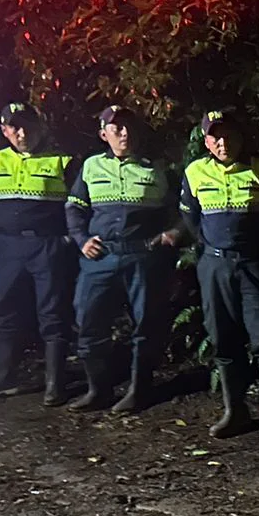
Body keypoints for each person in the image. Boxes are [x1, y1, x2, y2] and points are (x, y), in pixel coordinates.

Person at [179, 109, 259, 439]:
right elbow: (190, 218)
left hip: (256, 264)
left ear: (241, 135)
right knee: (222, 335)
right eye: (215, 136)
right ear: (207, 141)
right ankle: (235, 410)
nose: (223, 141)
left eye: (229, 134)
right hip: (215, 265)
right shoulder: (194, 171)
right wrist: (211, 248)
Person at [65, 105, 181, 413]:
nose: (124, 133)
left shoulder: (157, 168)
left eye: (129, 127)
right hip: (100, 256)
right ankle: (98, 390)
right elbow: (74, 208)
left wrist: (175, 232)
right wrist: (80, 239)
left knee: (146, 324)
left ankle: (139, 390)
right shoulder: (90, 166)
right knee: (87, 320)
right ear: (104, 135)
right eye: (116, 129)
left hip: (142, 255)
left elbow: (182, 209)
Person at [0, 102, 78, 406]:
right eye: (14, 127)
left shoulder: (63, 161)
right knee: (4, 312)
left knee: (53, 314)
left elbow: (79, 205)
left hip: (48, 245)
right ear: (4, 131)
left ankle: (54, 384)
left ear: (39, 125)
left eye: (27, 125)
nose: (22, 132)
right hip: (7, 247)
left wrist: (69, 239)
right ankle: (0, 378)